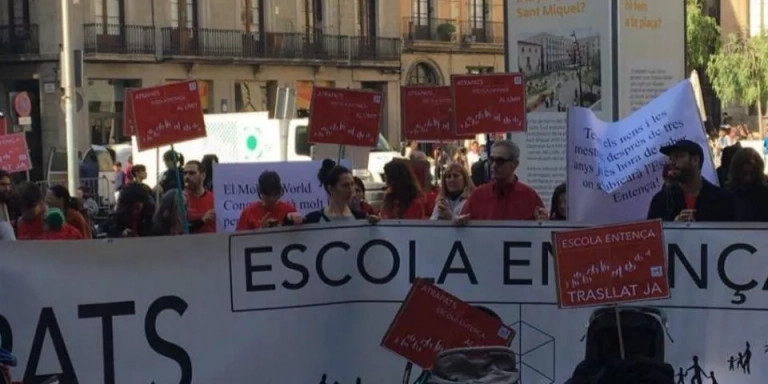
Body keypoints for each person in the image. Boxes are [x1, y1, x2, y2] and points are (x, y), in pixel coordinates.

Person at [458, 140, 546, 223]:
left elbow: (542, 231)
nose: (494, 165)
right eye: (492, 160)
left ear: (514, 164)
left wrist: (543, 221)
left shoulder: (529, 197)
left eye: (500, 161)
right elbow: (461, 227)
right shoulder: (477, 196)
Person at [647, 140, 735, 222]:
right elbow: (653, 235)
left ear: (695, 160)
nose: (672, 162)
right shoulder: (661, 201)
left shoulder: (722, 199)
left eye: (678, 156)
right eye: (671, 158)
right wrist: (673, 227)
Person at [292, 159, 370, 223]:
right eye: (344, 186)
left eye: (352, 184)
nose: (350, 189)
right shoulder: (314, 219)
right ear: (331, 189)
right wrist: (290, 218)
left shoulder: (362, 218)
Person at [236, 171, 302, 230]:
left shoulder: (289, 211)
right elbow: (238, 240)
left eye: (275, 195)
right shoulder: (248, 213)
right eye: (268, 195)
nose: (272, 199)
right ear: (261, 192)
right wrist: (261, 229)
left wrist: (296, 221)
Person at [727, 148, 768, 221]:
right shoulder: (727, 195)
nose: (748, 178)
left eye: (752, 173)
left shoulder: (764, 195)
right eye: (744, 173)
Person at [183, 160, 216, 233]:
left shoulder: (215, 199)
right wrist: (202, 220)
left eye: (192, 173)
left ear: (203, 176)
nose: (187, 177)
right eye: (185, 173)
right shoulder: (180, 199)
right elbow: (180, 229)